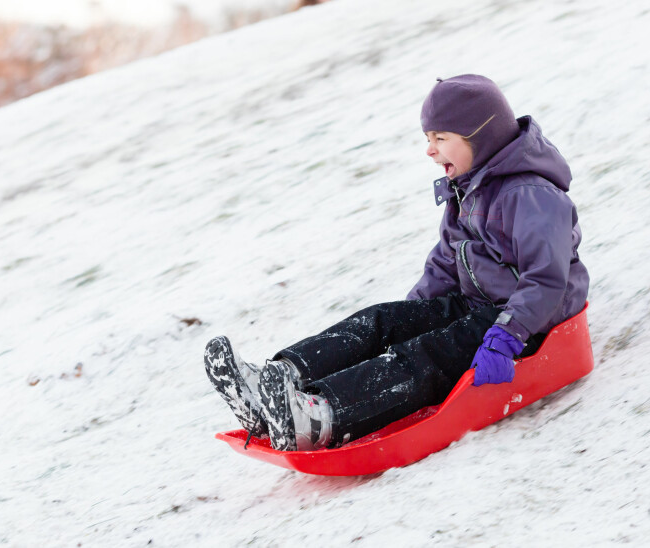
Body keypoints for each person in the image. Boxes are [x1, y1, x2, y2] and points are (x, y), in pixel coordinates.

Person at [204, 74, 589, 451]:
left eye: (441, 138)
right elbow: (444, 264)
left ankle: (319, 416)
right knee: (383, 322)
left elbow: (547, 280)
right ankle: (280, 382)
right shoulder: (469, 190)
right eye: (428, 139)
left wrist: (508, 336)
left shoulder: (531, 196)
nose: (430, 149)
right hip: (480, 307)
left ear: (480, 135)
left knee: (426, 356)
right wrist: (410, 316)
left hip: (526, 323)